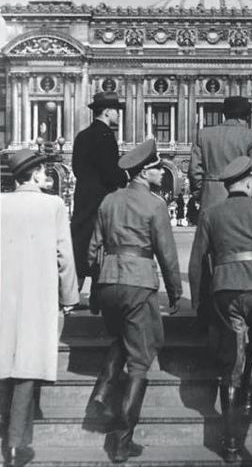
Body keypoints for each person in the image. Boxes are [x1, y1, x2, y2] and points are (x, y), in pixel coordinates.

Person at [188, 156, 252, 463]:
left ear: (228, 186)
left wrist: (197, 301)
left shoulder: (211, 213)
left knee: (230, 362)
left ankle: (232, 443)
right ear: (248, 182)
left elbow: (197, 260)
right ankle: (250, 395)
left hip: (225, 290)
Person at [87, 139, 182, 463]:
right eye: (157, 168)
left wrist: (97, 288)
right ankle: (122, 441)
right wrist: (176, 290)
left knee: (121, 338)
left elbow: (93, 248)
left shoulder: (109, 200)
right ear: (143, 173)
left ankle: (101, 393)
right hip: (138, 281)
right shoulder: (155, 205)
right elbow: (167, 254)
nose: (161, 173)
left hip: (108, 280)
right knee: (140, 360)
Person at [0, 149, 79, 467]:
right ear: (33, 174)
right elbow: (65, 255)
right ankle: (16, 444)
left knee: (3, 362)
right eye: (43, 170)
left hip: (3, 295)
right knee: (27, 369)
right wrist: (70, 297)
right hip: (38, 296)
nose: (45, 174)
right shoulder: (54, 205)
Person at [71, 91, 127, 312]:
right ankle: (96, 297)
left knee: (80, 244)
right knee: (101, 247)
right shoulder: (105, 136)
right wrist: (125, 176)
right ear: (106, 111)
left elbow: (76, 169)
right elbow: (110, 173)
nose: (118, 115)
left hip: (83, 196)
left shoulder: (82, 135)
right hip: (102, 199)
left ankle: (71, 295)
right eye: (116, 111)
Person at [188, 96, 252, 210]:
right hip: (241, 200)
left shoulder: (203, 135)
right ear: (246, 116)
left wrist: (201, 194)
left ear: (225, 114)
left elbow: (194, 171)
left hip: (210, 197)